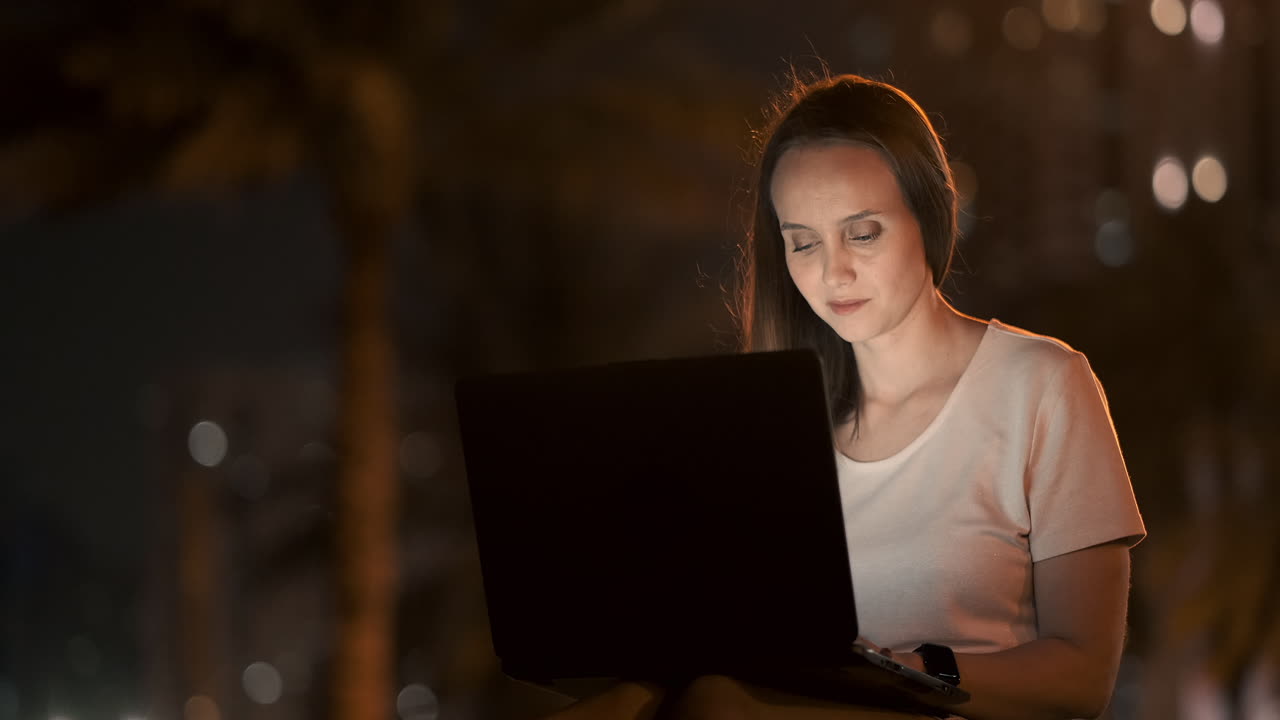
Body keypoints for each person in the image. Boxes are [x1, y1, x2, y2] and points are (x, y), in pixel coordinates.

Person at [542, 72, 1146, 720]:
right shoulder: (774, 427)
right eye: (802, 243)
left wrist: (896, 668)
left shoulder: (1042, 385)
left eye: (862, 233)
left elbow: (1082, 676)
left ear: (933, 213)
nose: (834, 272)